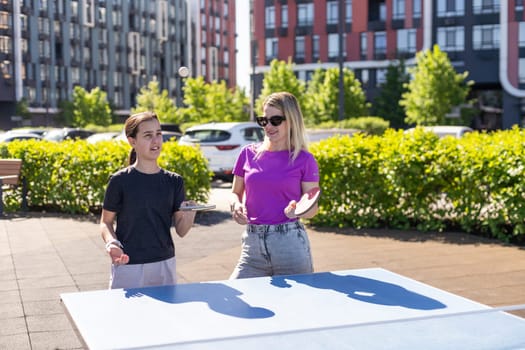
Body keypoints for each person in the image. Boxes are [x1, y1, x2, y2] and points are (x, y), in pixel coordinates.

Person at [100, 111, 197, 289]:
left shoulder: (174, 181)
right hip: (128, 264)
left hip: (164, 263)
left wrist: (190, 213)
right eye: (148, 135)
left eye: (158, 134)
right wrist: (112, 244)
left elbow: (181, 231)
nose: (156, 141)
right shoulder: (120, 180)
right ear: (132, 141)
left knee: (164, 317)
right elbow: (105, 222)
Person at [229, 91, 320, 279]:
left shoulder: (305, 160)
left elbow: (313, 208)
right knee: (238, 301)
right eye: (264, 120)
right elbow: (235, 193)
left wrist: (299, 210)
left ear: (292, 121)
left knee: (297, 307)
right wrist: (236, 205)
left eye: (275, 120)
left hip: (290, 247)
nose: (268, 126)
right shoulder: (247, 154)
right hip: (252, 246)